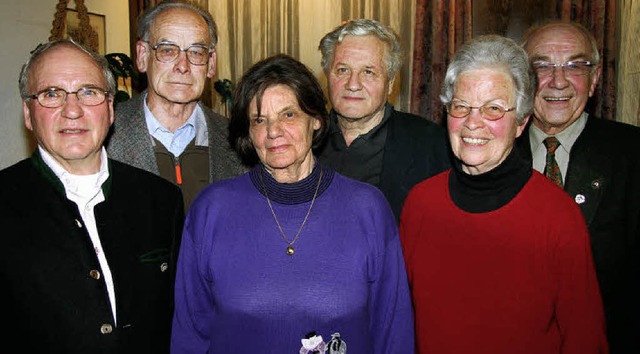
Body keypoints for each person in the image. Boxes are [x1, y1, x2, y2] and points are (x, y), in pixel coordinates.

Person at [170, 54, 414, 353]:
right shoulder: (211, 210)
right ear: (248, 131)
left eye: (288, 115)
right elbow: (189, 335)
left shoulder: (368, 209)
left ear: (316, 119)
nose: (273, 131)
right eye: (260, 119)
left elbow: (393, 333)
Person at [400, 35, 608, 354]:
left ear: (521, 122)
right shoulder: (420, 203)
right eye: (461, 106)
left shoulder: (557, 216)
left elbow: (585, 338)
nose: (472, 123)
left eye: (493, 109)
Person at [0, 39, 184, 353]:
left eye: (88, 92)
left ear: (110, 109)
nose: (72, 110)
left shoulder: (161, 200)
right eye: (51, 94)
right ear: (28, 114)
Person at [517, 21, 640, 354]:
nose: (558, 81)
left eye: (576, 66)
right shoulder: (489, 155)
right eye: (541, 66)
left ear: (595, 78)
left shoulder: (632, 155)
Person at [106, 0, 246, 212]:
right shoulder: (104, 134)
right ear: (143, 56)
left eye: (196, 52)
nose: (183, 66)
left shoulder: (238, 142)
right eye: (167, 50)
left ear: (211, 63)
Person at [315, 19, 450, 222]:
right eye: (342, 70)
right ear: (327, 75)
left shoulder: (432, 145)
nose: (353, 84)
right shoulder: (302, 140)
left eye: (368, 72)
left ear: (390, 83)